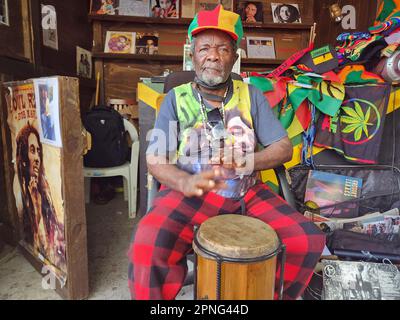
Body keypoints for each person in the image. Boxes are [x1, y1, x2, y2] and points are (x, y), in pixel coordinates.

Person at [128, 5, 325, 300]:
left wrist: (249, 161)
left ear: (234, 56)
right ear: (192, 55)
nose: (213, 55)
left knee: (305, 240)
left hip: (246, 192)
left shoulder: (252, 95)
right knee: (147, 245)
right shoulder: (174, 99)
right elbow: (156, 159)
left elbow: (283, 148)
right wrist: (183, 182)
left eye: (222, 48)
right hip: (189, 192)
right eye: (204, 47)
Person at [16, 124, 66, 270]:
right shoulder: (21, 199)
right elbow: (33, 242)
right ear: (24, 157)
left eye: (38, 151)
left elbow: (55, 247)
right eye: (32, 150)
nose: (37, 157)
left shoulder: (46, 194)